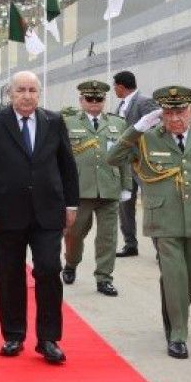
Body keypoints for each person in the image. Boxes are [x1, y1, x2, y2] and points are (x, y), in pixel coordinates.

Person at [0, 70, 79, 365]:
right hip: (4, 213)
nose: (27, 96)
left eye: (32, 90)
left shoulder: (54, 122)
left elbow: (67, 165)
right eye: (21, 90)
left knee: (48, 269)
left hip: (48, 212)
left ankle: (48, 338)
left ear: (39, 94)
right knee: (10, 274)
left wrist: (72, 204)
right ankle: (14, 335)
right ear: (10, 94)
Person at [107, 85, 191, 359]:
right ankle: (178, 335)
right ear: (161, 114)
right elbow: (112, 158)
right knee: (175, 275)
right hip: (164, 218)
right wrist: (136, 128)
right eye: (169, 112)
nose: (175, 118)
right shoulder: (147, 138)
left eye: (181, 111)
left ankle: (173, 310)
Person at [62, 81, 132, 296]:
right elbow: (61, 159)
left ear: (104, 101)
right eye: (89, 99)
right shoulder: (67, 123)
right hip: (80, 190)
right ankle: (71, 263)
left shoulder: (118, 124)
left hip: (109, 189)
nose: (94, 103)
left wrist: (126, 185)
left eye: (99, 99)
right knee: (74, 234)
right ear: (81, 101)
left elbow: (125, 157)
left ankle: (104, 278)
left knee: (107, 237)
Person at [112, 70, 159, 258]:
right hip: (126, 164)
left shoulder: (144, 101)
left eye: (115, 86)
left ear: (121, 86)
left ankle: (160, 249)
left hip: (144, 162)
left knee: (152, 206)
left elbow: (155, 129)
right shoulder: (120, 106)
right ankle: (130, 244)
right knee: (125, 206)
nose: (114, 89)